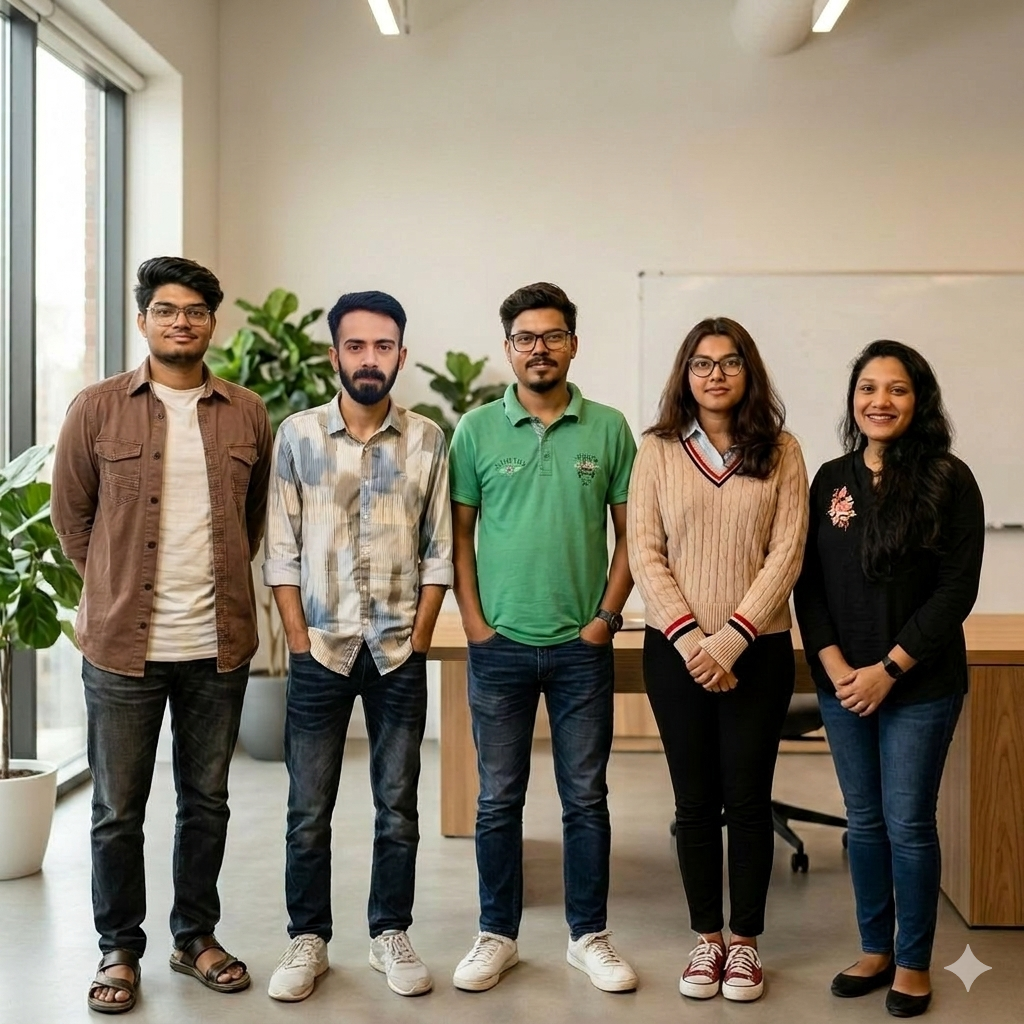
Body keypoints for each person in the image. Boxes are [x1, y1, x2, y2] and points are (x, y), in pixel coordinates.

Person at [51, 256, 273, 1014]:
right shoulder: (95, 408)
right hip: (121, 650)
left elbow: (251, 522)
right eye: (168, 310)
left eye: (197, 312)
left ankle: (194, 937)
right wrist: (112, 587)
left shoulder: (245, 411)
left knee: (205, 803)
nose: (183, 322)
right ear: (143, 318)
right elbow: (70, 519)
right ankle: (119, 949)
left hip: (217, 645)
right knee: (117, 809)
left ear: (214, 323)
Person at [448, 282, 638, 994]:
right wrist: (474, 623)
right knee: (498, 798)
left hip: (579, 648)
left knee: (585, 798)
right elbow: (460, 538)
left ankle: (588, 935)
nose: (539, 348)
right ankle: (497, 933)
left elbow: (632, 539)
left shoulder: (609, 428)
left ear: (573, 345)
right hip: (498, 646)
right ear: (509, 349)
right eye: (525, 338)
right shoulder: (476, 430)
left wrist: (605, 620)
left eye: (552, 336)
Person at [263, 290, 452, 1002]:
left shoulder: (429, 437)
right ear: (334, 353)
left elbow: (440, 550)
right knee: (308, 808)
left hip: (399, 651)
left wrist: (423, 635)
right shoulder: (298, 436)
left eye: (382, 347)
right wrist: (299, 641)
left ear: (401, 355)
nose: (368, 359)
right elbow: (278, 549)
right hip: (322, 650)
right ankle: (306, 938)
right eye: (355, 346)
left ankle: (389, 934)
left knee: (397, 806)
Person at [794, 340, 984, 1019]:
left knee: (907, 823)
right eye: (868, 387)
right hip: (845, 683)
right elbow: (808, 585)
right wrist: (841, 669)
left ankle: (911, 962)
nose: (880, 400)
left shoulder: (948, 478)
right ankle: (874, 948)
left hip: (921, 683)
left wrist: (889, 669)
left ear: (919, 398)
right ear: (853, 399)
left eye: (897, 389)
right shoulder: (830, 479)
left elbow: (957, 590)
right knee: (865, 821)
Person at [627, 317, 808, 1003]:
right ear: (686, 374)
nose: (715, 375)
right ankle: (707, 941)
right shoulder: (658, 451)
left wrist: (731, 639)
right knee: (695, 802)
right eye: (702, 364)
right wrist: (690, 641)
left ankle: (747, 946)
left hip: (755, 653)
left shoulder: (782, 451)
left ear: (748, 371)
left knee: (748, 798)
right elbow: (646, 552)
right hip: (676, 653)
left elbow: (786, 554)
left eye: (729, 363)